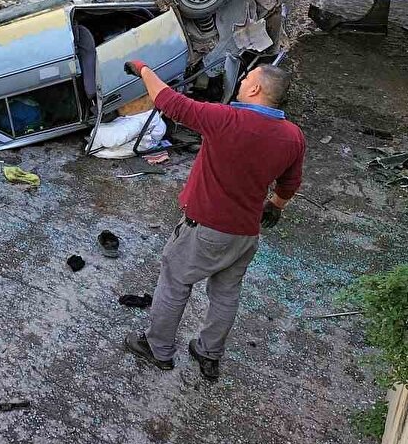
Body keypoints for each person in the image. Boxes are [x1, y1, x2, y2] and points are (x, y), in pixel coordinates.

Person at [122, 61, 305, 381]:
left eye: (246, 78)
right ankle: (209, 353)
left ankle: (158, 348)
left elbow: (169, 102)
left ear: (255, 89)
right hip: (245, 234)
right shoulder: (293, 136)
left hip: (204, 227)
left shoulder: (225, 119)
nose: (242, 81)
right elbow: (289, 184)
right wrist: (275, 205)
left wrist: (143, 70)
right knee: (226, 294)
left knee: (175, 282)